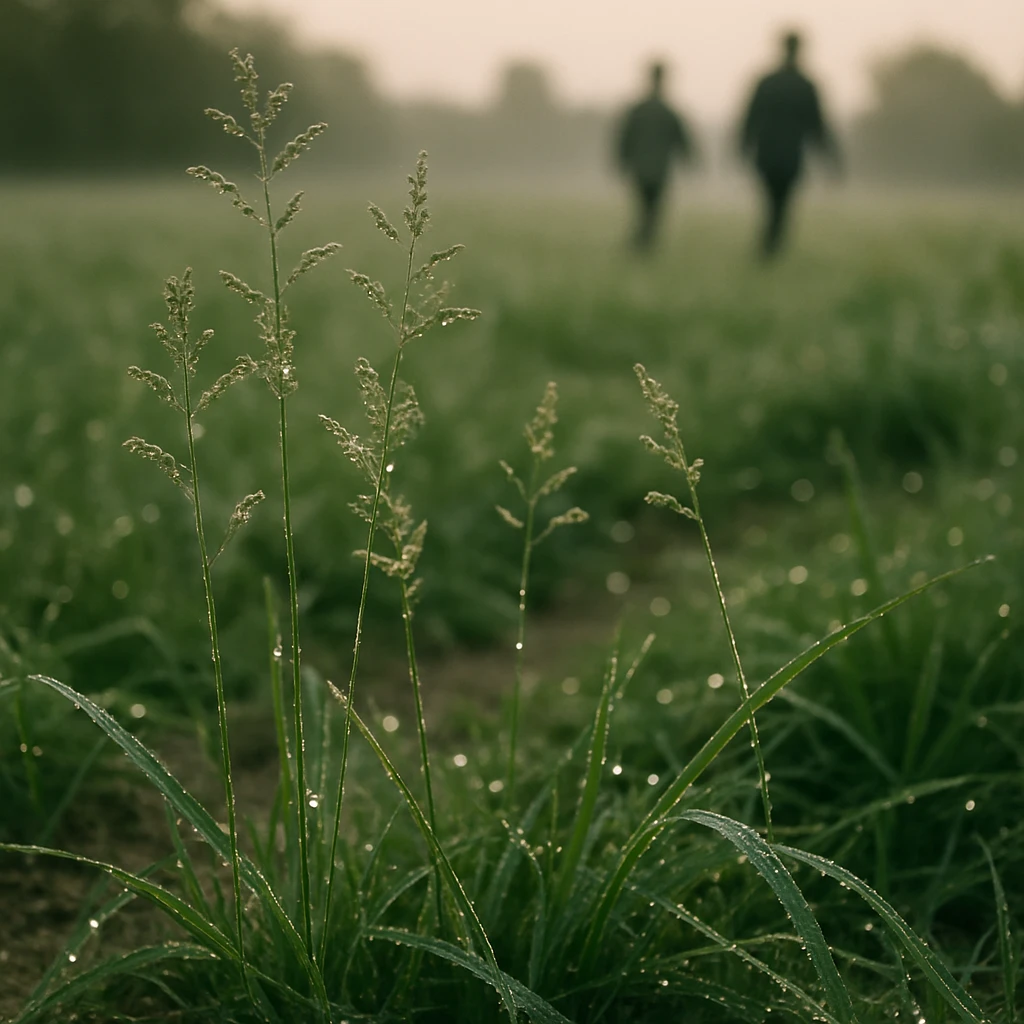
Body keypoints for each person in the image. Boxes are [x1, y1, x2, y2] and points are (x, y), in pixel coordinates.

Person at [740, 31, 840, 258]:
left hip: (765, 155)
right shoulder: (805, 85)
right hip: (791, 157)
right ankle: (773, 247)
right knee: (783, 205)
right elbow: (818, 127)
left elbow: (749, 119)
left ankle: (768, 247)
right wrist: (832, 161)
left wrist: (743, 149)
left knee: (770, 203)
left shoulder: (766, 83)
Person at [616, 62, 695, 251]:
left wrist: (622, 161)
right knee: (653, 210)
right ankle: (645, 243)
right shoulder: (668, 111)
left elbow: (624, 138)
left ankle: (641, 242)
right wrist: (689, 161)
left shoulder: (638, 110)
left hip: (640, 168)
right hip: (660, 169)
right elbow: (682, 141)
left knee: (643, 208)